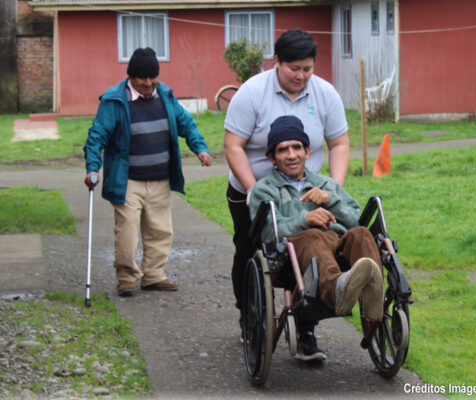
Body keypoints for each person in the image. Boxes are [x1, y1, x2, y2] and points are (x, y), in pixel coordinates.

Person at [224, 28, 350, 355]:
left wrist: (331, 189)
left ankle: (306, 328)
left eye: (307, 69)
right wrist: (255, 192)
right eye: (294, 69)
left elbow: (338, 143)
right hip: (254, 187)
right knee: (250, 250)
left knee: (308, 248)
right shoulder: (252, 93)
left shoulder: (325, 94)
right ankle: (250, 317)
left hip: (304, 189)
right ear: (277, 62)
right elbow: (233, 145)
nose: (301, 76)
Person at [249, 115, 384, 361]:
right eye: (283, 150)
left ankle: (374, 296)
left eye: (297, 147)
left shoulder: (325, 184)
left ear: (307, 151)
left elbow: (357, 221)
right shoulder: (264, 190)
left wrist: (330, 200)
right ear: (272, 158)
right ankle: (337, 292)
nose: (291, 155)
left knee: (362, 234)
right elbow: (267, 234)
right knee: (313, 235)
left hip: (337, 246)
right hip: (294, 256)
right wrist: (305, 219)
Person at [83, 47, 212, 297]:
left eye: (153, 77)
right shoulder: (114, 100)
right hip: (128, 180)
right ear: (130, 76)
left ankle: (153, 276)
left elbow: (187, 124)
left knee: (160, 231)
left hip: (160, 178)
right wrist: (92, 168)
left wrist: (201, 149)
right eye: (142, 78)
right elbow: (96, 136)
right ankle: (126, 278)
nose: (148, 83)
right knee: (127, 233)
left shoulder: (165, 95)